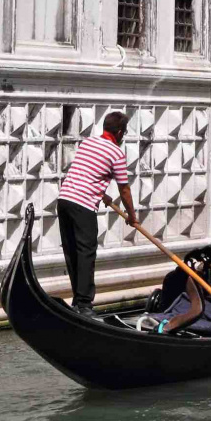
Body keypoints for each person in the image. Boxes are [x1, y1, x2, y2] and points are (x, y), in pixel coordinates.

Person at [56, 111, 138, 315]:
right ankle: (84, 305)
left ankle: (77, 301)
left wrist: (102, 194)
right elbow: (124, 189)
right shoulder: (116, 153)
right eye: (124, 133)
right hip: (83, 205)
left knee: (73, 251)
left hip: (64, 200)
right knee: (86, 253)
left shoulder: (88, 143)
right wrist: (132, 216)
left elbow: (88, 174)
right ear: (119, 132)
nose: (123, 136)